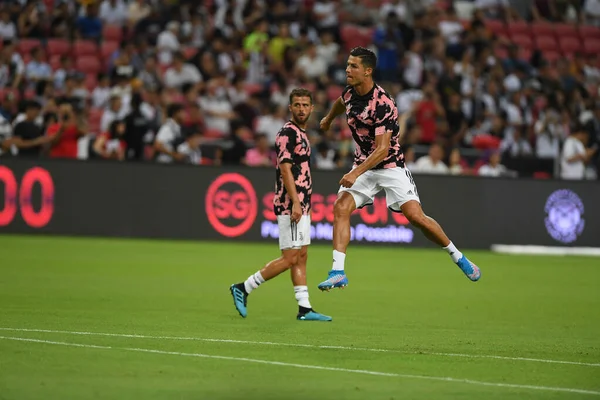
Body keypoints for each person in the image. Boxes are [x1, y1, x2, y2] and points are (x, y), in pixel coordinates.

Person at [317, 47, 481, 291]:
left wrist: (354, 173)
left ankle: (457, 256)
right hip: (364, 165)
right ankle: (338, 271)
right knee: (340, 207)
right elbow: (340, 103)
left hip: (390, 165)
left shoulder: (383, 104)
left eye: (353, 66)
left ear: (368, 71)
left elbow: (382, 150)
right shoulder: (350, 93)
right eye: (348, 65)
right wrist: (329, 119)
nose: (347, 70)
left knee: (416, 217)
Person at [230, 88, 332, 322]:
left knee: (302, 255)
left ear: (312, 108)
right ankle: (243, 287)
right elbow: (285, 169)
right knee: (289, 258)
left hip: (302, 204)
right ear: (290, 107)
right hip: (290, 204)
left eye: (306, 105)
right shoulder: (287, 133)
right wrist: (296, 202)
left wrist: (305, 204)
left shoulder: (302, 133)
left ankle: (304, 309)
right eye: (297, 104)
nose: (302, 109)